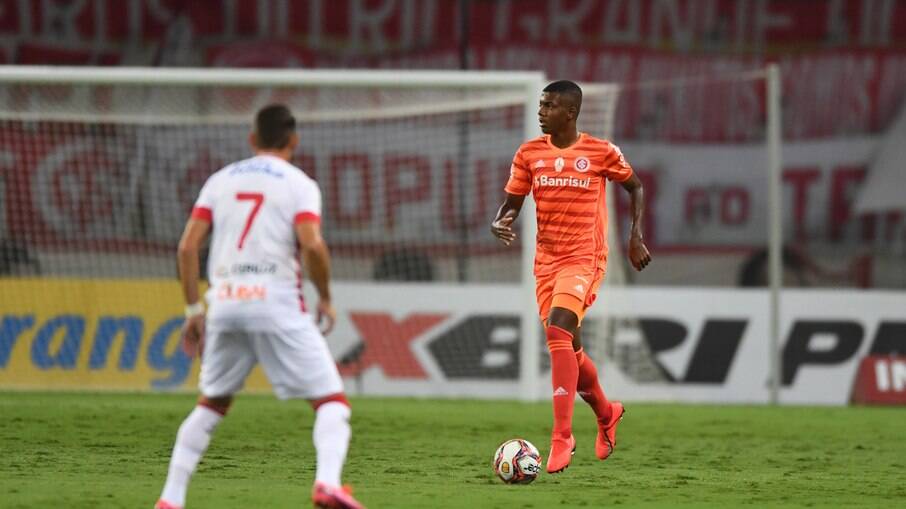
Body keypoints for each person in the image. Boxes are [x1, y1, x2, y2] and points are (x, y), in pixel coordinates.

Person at [155, 104, 365, 509]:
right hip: (277, 303)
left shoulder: (220, 180)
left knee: (211, 405)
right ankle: (327, 483)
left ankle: (170, 499)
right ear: (294, 141)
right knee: (331, 403)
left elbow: (186, 247)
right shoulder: (299, 184)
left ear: (252, 140)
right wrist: (325, 296)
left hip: (226, 304)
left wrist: (193, 311)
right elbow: (313, 245)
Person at [490, 80, 651, 474]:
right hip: (547, 261)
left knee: (558, 330)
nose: (541, 111)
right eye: (541, 104)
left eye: (549, 105)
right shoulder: (529, 154)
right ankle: (607, 412)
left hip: (585, 258)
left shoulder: (600, 151)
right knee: (571, 351)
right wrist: (500, 221)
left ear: (570, 112)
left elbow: (636, 187)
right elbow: (512, 203)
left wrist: (635, 237)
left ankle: (562, 436)